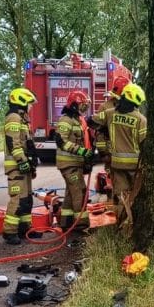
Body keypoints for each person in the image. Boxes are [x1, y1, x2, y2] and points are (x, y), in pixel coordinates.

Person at [89, 82, 147, 229]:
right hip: (135, 167)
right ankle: (134, 227)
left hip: (116, 165)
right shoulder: (141, 120)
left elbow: (91, 121)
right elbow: (144, 144)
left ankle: (121, 228)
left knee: (121, 197)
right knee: (136, 197)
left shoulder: (110, 114)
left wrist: (105, 129)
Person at [2, 87, 42, 245]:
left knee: (26, 200)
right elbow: (14, 144)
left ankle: (25, 229)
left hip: (23, 166)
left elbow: (27, 144)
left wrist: (31, 163)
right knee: (17, 200)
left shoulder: (22, 119)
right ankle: (9, 232)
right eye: (29, 103)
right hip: (16, 167)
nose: (31, 107)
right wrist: (22, 162)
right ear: (22, 101)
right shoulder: (13, 118)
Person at [54, 89, 94, 231]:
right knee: (79, 191)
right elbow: (61, 141)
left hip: (75, 163)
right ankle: (81, 224)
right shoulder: (66, 120)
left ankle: (66, 222)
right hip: (68, 164)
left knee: (70, 193)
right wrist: (81, 151)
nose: (84, 109)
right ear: (74, 105)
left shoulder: (77, 120)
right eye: (82, 105)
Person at [93, 76, 128, 166]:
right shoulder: (105, 107)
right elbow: (99, 132)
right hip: (111, 152)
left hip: (128, 152)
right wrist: (103, 152)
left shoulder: (132, 107)